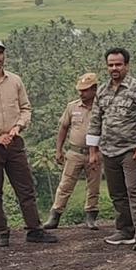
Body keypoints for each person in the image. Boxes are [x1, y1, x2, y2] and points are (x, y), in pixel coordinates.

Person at [0, 38, 57, 247]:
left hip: (15, 142)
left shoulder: (15, 81)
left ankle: (34, 230)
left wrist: (17, 127)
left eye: (0, 52)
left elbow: (26, 108)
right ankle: (0, 232)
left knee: (26, 188)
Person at [87, 47, 136, 251]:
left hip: (131, 150)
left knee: (135, 191)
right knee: (117, 193)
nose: (114, 68)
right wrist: (93, 150)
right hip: (108, 150)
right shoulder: (102, 90)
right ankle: (125, 230)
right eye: (110, 65)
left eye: (118, 64)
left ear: (126, 65)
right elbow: (95, 121)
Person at [43, 72, 102, 230]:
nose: (81, 93)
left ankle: (91, 216)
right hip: (75, 152)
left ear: (94, 89)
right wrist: (58, 150)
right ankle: (55, 216)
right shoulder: (72, 107)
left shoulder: (102, 107)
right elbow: (63, 128)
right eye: (80, 90)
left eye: (85, 90)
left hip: (95, 153)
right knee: (65, 185)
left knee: (93, 187)